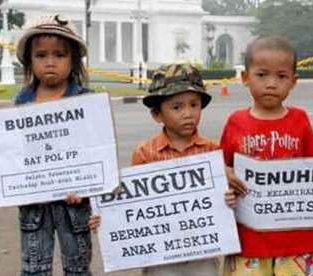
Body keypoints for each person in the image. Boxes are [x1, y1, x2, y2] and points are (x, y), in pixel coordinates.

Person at [89, 63, 236, 276]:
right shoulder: (145, 153)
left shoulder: (213, 151)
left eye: (194, 105)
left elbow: (224, 200)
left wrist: (229, 200)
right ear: (157, 115)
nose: (188, 113)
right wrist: (108, 220)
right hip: (160, 256)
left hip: (203, 253)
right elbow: (130, 206)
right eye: (177, 107)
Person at [0, 14, 93, 275]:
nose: (50, 62)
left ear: (74, 60)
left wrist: (88, 185)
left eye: (59, 54)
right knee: (34, 269)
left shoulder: (86, 101)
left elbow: (95, 153)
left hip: (74, 205)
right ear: (29, 60)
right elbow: (11, 152)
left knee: (77, 268)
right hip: (34, 205)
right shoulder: (21, 103)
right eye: (41, 55)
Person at [221, 36, 313, 276]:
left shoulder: (301, 121)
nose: (271, 84)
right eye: (262, 75)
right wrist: (226, 174)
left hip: (297, 241)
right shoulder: (236, 122)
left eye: (281, 76)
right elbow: (220, 168)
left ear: (293, 82)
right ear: (245, 77)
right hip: (249, 240)